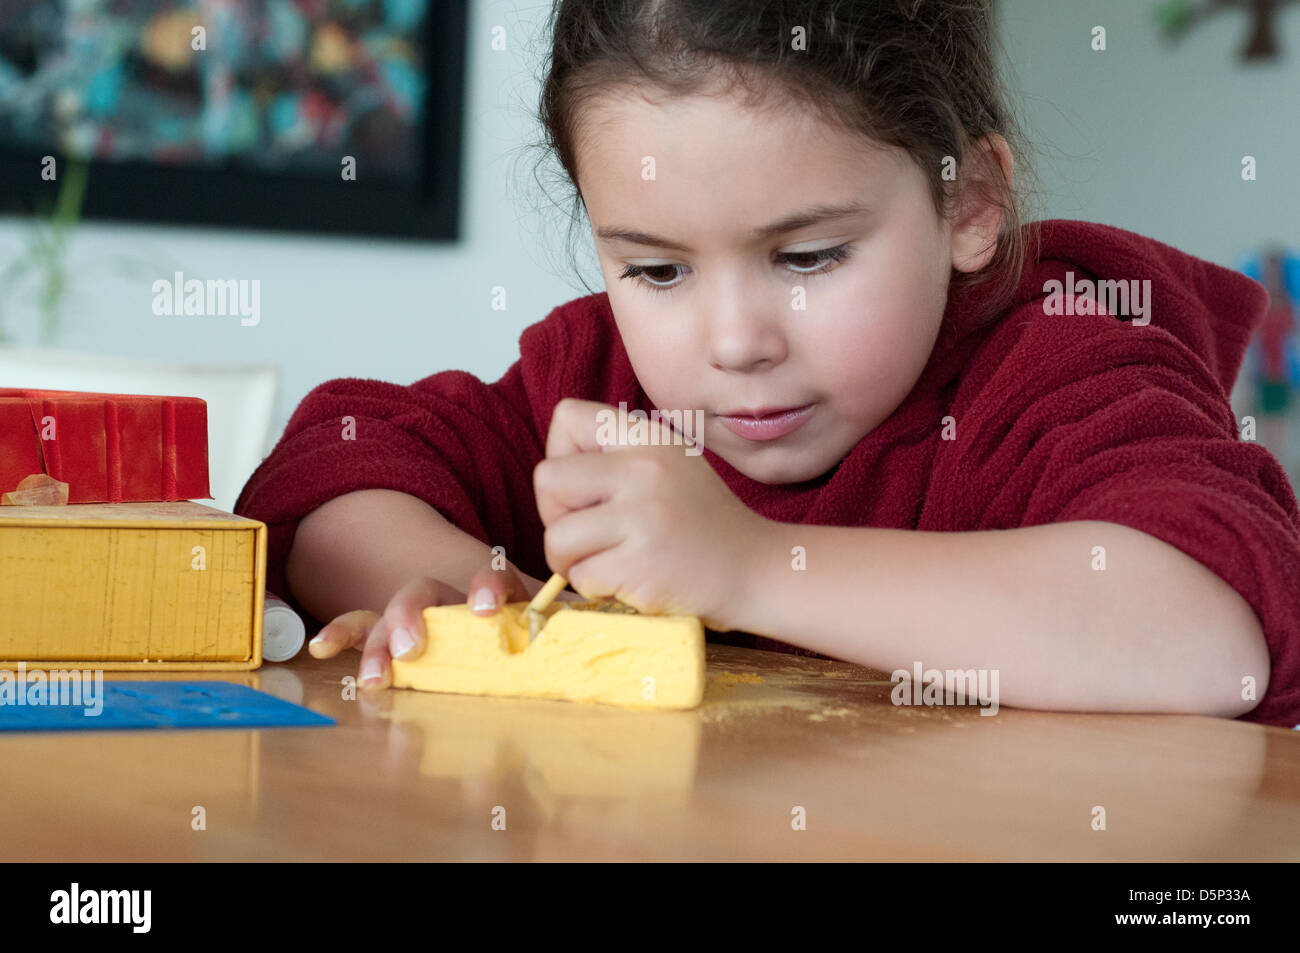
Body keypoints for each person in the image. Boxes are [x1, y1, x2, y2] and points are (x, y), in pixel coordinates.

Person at [235, 0, 1299, 726]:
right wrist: (477, 600)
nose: (734, 341)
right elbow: (336, 463)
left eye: (807, 256)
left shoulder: (1063, 362)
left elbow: (1215, 636)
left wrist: (744, 563)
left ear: (969, 203)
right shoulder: (603, 378)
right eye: (655, 269)